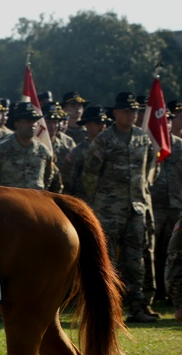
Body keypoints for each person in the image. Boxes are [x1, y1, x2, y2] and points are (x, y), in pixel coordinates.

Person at [83, 92, 159, 323]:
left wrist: (143, 192)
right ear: (115, 113)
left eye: (135, 111)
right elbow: (90, 174)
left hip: (136, 209)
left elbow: (151, 168)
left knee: (137, 259)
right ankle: (108, 308)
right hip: (109, 210)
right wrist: (100, 202)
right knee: (108, 261)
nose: (131, 114)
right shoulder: (104, 140)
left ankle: (139, 307)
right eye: (127, 110)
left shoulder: (142, 138)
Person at [0, 101, 61, 191]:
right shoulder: (0, 150)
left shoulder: (43, 151)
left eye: (34, 122)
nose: (32, 125)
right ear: (16, 124)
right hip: (9, 202)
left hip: (34, 202)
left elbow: (50, 180)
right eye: (27, 121)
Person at [152, 100, 182, 301]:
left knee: (174, 253)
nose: (168, 122)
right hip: (155, 205)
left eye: (170, 119)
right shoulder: (151, 144)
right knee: (153, 252)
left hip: (177, 205)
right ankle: (156, 294)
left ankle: (170, 295)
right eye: (166, 118)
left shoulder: (180, 146)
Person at [65, 105, 110, 199]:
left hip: (108, 203)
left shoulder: (112, 149)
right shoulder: (78, 152)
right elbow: (69, 182)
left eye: (104, 123)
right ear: (87, 125)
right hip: (85, 201)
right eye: (98, 123)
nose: (102, 127)